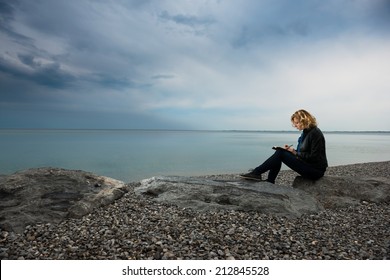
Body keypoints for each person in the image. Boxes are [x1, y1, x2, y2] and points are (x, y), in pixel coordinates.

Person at [240, 109, 328, 183]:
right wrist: (289, 150)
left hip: (315, 170)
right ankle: (268, 180)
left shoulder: (315, 133)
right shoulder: (305, 133)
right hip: (308, 165)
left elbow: (314, 157)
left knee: (280, 153)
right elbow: (301, 153)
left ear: (304, 121)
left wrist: (293, 152)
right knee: (280, 152)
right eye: (294, 123)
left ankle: (257, 173)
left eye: (297, 123)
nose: (295, 125)